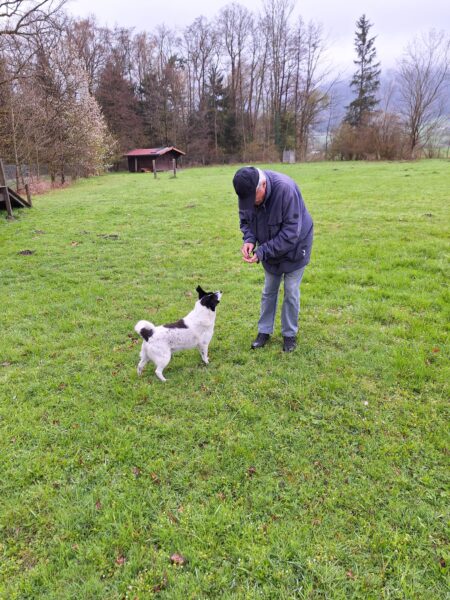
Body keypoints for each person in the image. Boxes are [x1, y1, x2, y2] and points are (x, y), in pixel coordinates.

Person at [233, 166, 313, 352]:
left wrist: (262, 252)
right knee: (269, 290)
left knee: (291, 291)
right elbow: (246, 221)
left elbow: (291, 233)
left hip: (296, 246)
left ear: (262, 185)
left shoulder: (286, 190)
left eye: (253, 199)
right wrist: (249, 239)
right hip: (269, 247)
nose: (251, 203)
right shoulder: (246, 193)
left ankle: (289, 334)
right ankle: (264, 331)